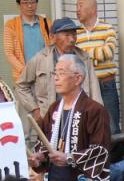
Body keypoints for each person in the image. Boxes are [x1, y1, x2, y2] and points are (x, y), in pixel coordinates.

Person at [33, 54, 111, 181]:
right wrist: (39, 157)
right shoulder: (54, 109)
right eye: (55, 73)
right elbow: (43, 143)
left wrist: (68, 157)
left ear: (78, 78)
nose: (56, 78)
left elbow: (101, 152)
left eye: (61, 72)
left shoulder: (94, 110)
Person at [16, 17, 101, 153]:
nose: (72, 39)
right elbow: (21, 85)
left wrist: (97, 115)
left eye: (74, 34)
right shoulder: (40, 58)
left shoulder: (83, 58)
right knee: (49, 155)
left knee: (76, 152)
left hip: (78, 118)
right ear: (52, 37)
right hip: (49, 119)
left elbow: (94, 88)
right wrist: (35, 109)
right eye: (67, 35)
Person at [75, 0, 121, 134]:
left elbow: (108, 52)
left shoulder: (108, 28)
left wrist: (84, 55)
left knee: (112, 126)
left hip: (106, 84)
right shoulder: (75, 33)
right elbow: (75, 57)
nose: (77, 10)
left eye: (80, 5)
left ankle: (115, 156)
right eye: (76, 6)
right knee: (87, 126)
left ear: (93, 9)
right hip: (84, 86)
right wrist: (95, 56)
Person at [4, 0, 51, 82]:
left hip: (45, 76)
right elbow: (9, 53)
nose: (30, 6)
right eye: (25, 2)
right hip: (23, 77)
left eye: (32, 1)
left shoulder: (47, 23)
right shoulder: (11, 25)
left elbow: (53, 48)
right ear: (18, 5)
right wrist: (25, 71)